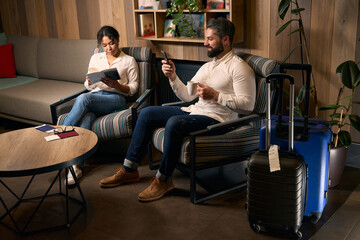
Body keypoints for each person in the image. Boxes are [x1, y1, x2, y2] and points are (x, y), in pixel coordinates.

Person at [99, 18, 256, 202]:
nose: (205, 43)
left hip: (219, 120)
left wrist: (216, 95)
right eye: (206, 38)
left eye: (210, 39)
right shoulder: (208, 66)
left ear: (226, 39)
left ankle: (163, 180)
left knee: (174, 123)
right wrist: (173, 77)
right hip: (195, 111)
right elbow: (187, 96)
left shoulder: (239, 68)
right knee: (147, 112)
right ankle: (129, 169)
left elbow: (248, 105)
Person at [63, 25, 139, 185]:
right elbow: (88, 86)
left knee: (84, 99)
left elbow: (133, 89)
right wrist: (89, 82)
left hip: (116, 98)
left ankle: (61, 134)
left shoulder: (128, 60)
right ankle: (76, 167)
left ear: (117, 40)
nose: (108, 48)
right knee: (86, 120)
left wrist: (116, 85)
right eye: (104, 45)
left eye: (111, 43)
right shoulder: (96, 58)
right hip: (95, 97)